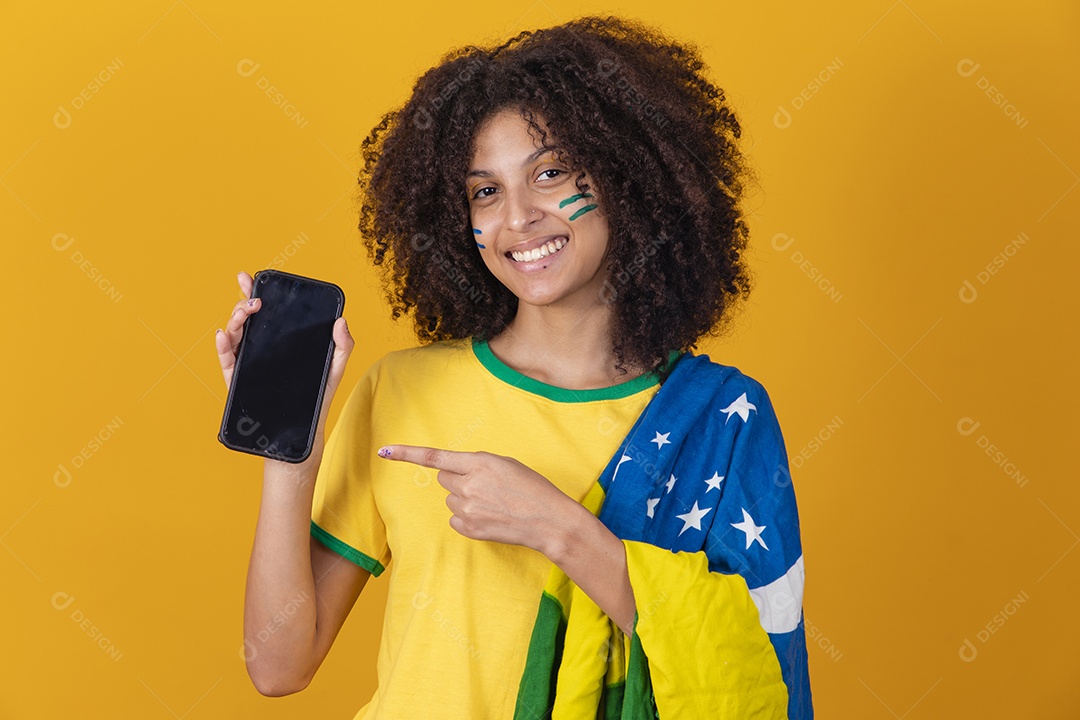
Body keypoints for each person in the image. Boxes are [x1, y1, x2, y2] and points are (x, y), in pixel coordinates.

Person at [215, 15, 812, 719]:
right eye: (486, 191)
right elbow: (278, 666)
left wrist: (560, 528)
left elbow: (751, 671)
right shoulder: (399, 388)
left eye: (549, 173)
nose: (518, 217)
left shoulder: (721, 418)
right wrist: (290, 461)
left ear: (629, 177)